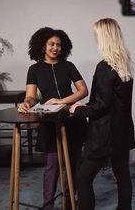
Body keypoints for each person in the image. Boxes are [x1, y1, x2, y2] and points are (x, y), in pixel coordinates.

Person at [69, 18, 135, 210]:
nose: (95, 37)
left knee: (83, 178)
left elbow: (102, 106)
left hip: (104, 134)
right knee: (123, 175)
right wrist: (87, 105)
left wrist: (80, 109)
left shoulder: (105, 66)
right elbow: (113, 102)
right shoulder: (124, 64)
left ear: (105, 37)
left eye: (96, 34)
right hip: (121, 130)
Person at [18, 27, 88, 209]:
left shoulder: (69, 66)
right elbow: (31, 96)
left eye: (58, 44)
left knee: (74, 163)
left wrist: (61, 101)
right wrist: (26, 102)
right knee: (52, 165)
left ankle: (68, 199)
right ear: (42, 46)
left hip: (72, 118)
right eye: (51, 44)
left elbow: (83, 90)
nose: (55, 47)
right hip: (49, 122)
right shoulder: (34, 69)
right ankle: (47, 204)